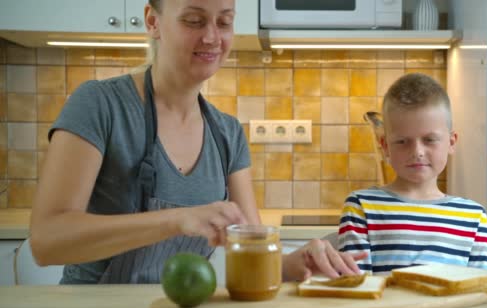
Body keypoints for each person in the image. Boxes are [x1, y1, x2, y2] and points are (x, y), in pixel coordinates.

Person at [29, 0, 365, 284]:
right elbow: (47, 241)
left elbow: (253, 251)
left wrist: (296, 261)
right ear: (152, 21)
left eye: (224, 21)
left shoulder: (227, 133)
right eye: (194, 20)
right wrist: (176, 221)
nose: (212, 37)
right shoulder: (100, 105)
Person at [338, 73, 487, 275]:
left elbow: (481, 289)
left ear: (451, 142)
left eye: (429, 139)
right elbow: (355, 287)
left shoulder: (473, 216)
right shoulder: (361, 206)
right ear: (385, 146)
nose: (417, 151)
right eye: (402, 141)